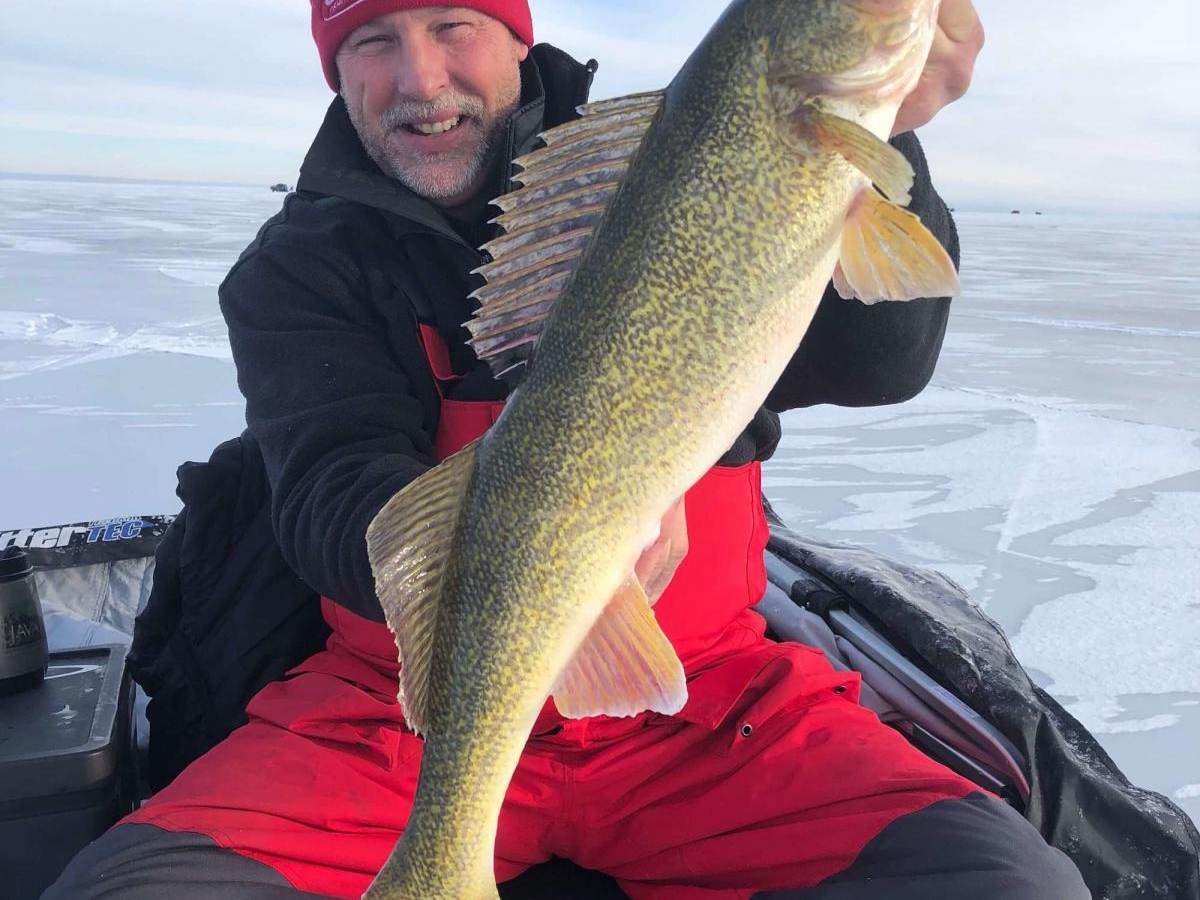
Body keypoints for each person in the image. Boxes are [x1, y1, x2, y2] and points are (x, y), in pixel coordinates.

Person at [46, 2, 1090, 898]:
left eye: (453, 24)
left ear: (513, 39)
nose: (420, 76)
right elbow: (328, 487)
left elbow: (882, 363)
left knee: (1002, 883)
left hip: (701, 701)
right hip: (406, 710)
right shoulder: (297, 270)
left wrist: (889, 136)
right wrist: (551, 544)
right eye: (370, 39)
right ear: (333, 66)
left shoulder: (665, 172)